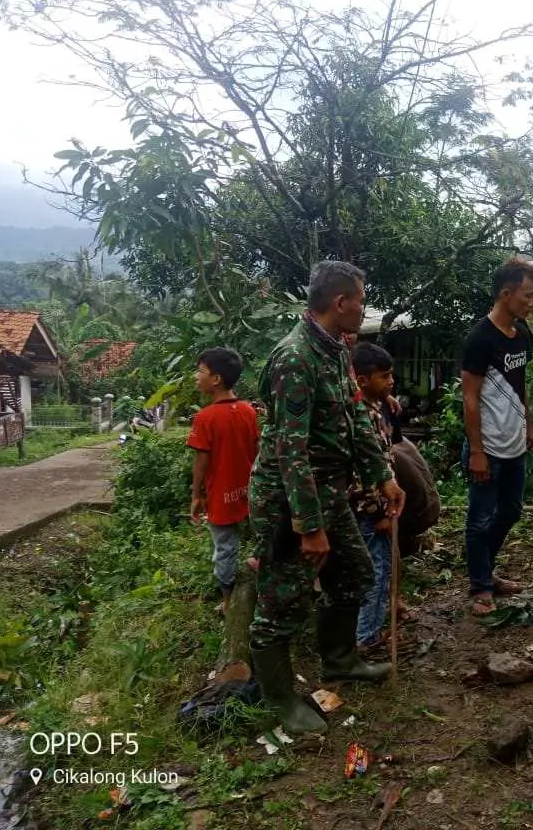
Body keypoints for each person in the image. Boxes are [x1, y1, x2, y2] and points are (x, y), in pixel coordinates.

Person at [247, 260, 405, 736]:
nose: (363, 307)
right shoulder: (294, 358)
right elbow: (289, 449)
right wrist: (308, 527)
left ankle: (339, 660)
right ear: (341, 303)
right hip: (290, 501)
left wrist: (383, 475)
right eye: (361, 298)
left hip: (330, 490)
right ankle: (278, 699)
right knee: (281, 603)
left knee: (356, 571)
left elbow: (355, 417)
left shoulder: (336, 350)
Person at [460, 257, 533, 617]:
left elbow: (520, 386)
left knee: (510, 510)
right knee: (479, 518)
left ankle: (485, 569)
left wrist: (529, 428)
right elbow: (470, 397)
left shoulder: (522, 334)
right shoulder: (480, 339)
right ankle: (480, 585)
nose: (532, 301)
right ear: (506, 293)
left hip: (515, 443)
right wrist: (477, 451)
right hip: (489, 446)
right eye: (527, 295)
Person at [187, 348, 260, 616]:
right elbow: (256, 450)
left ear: (216, 379)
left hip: (221, 493)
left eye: (200, 371)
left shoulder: (205, 418)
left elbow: (201, 463)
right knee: (261, 536)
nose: (196, 377)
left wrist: (197, 494)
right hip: (251, 491)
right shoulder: (248, 411)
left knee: (225, 549)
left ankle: (229, 602)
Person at [349, 341, 401, 649]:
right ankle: (366, 636)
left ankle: (372, 625)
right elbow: (363, 472)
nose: (391, 381)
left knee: (379, 567)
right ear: (363, 381)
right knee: (375, 570)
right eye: (384, 377)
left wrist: (387, 397)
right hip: (369, 510)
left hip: (376, 505)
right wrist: (380, 512)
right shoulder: (362, 420)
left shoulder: (370, 408)